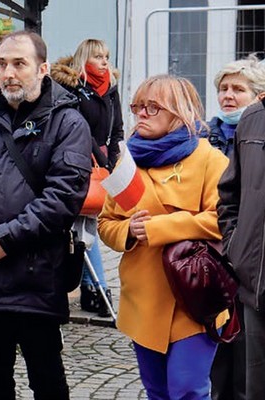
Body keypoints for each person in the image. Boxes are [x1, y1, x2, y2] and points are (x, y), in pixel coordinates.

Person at [0, 30, 92, 399]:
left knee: (46, 381)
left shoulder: (69, 123)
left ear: (42, 68)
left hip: (37, 277)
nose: (8, 73)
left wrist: (6, 239)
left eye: (19, 64)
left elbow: (63, 197)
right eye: (2, 64)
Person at [98, 75, 230, 399]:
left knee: (187, 390)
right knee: (156, 390)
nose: (141, 114)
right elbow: (106, 223)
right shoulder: (126, 161)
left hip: (195, 297)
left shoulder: (209, 159)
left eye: (152, 107)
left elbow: (223, 220)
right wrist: (128, 231)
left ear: (179, 112)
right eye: (137, 106)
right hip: (142, 298)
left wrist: (159, 228)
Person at [51, 38, 124, 317]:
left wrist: (114, 161)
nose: (105, 61)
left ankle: (92, 290)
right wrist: (102, 160)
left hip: (101, 165)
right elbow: (80, 129)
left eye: (106, 56)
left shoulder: (109, 88)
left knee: (86, 226)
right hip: (77, 161)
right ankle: (97, 289)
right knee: (79, 227)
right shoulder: (72, 88)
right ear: (84, 59)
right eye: (97, 57)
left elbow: (115, 130)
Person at [207, 55, 265, 400]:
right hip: (249, 275)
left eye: (237, 88)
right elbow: (228, 196)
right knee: (246, 381)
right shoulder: (252, 121)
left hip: (241, 266)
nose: (228, 95)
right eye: (223, 88)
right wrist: (237, 246)